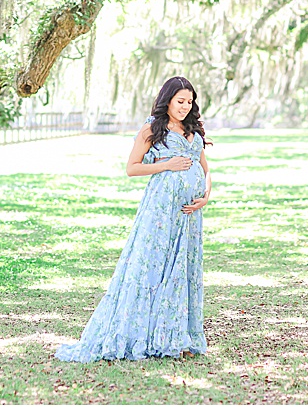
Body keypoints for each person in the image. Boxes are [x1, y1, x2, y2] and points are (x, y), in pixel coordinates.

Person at [55, 76, 212, 363]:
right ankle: (149, 335)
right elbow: (132, 168)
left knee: (182, 271)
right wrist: (167, 165)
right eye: (180, 102)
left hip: (190, 216)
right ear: (167, 100)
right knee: (155, 268)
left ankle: (180, 337)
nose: (185, 107)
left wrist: (206, 194)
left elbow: (206, 168)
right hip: (161, 212)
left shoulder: (193, 130)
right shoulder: (152, 129)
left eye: (189, 102)